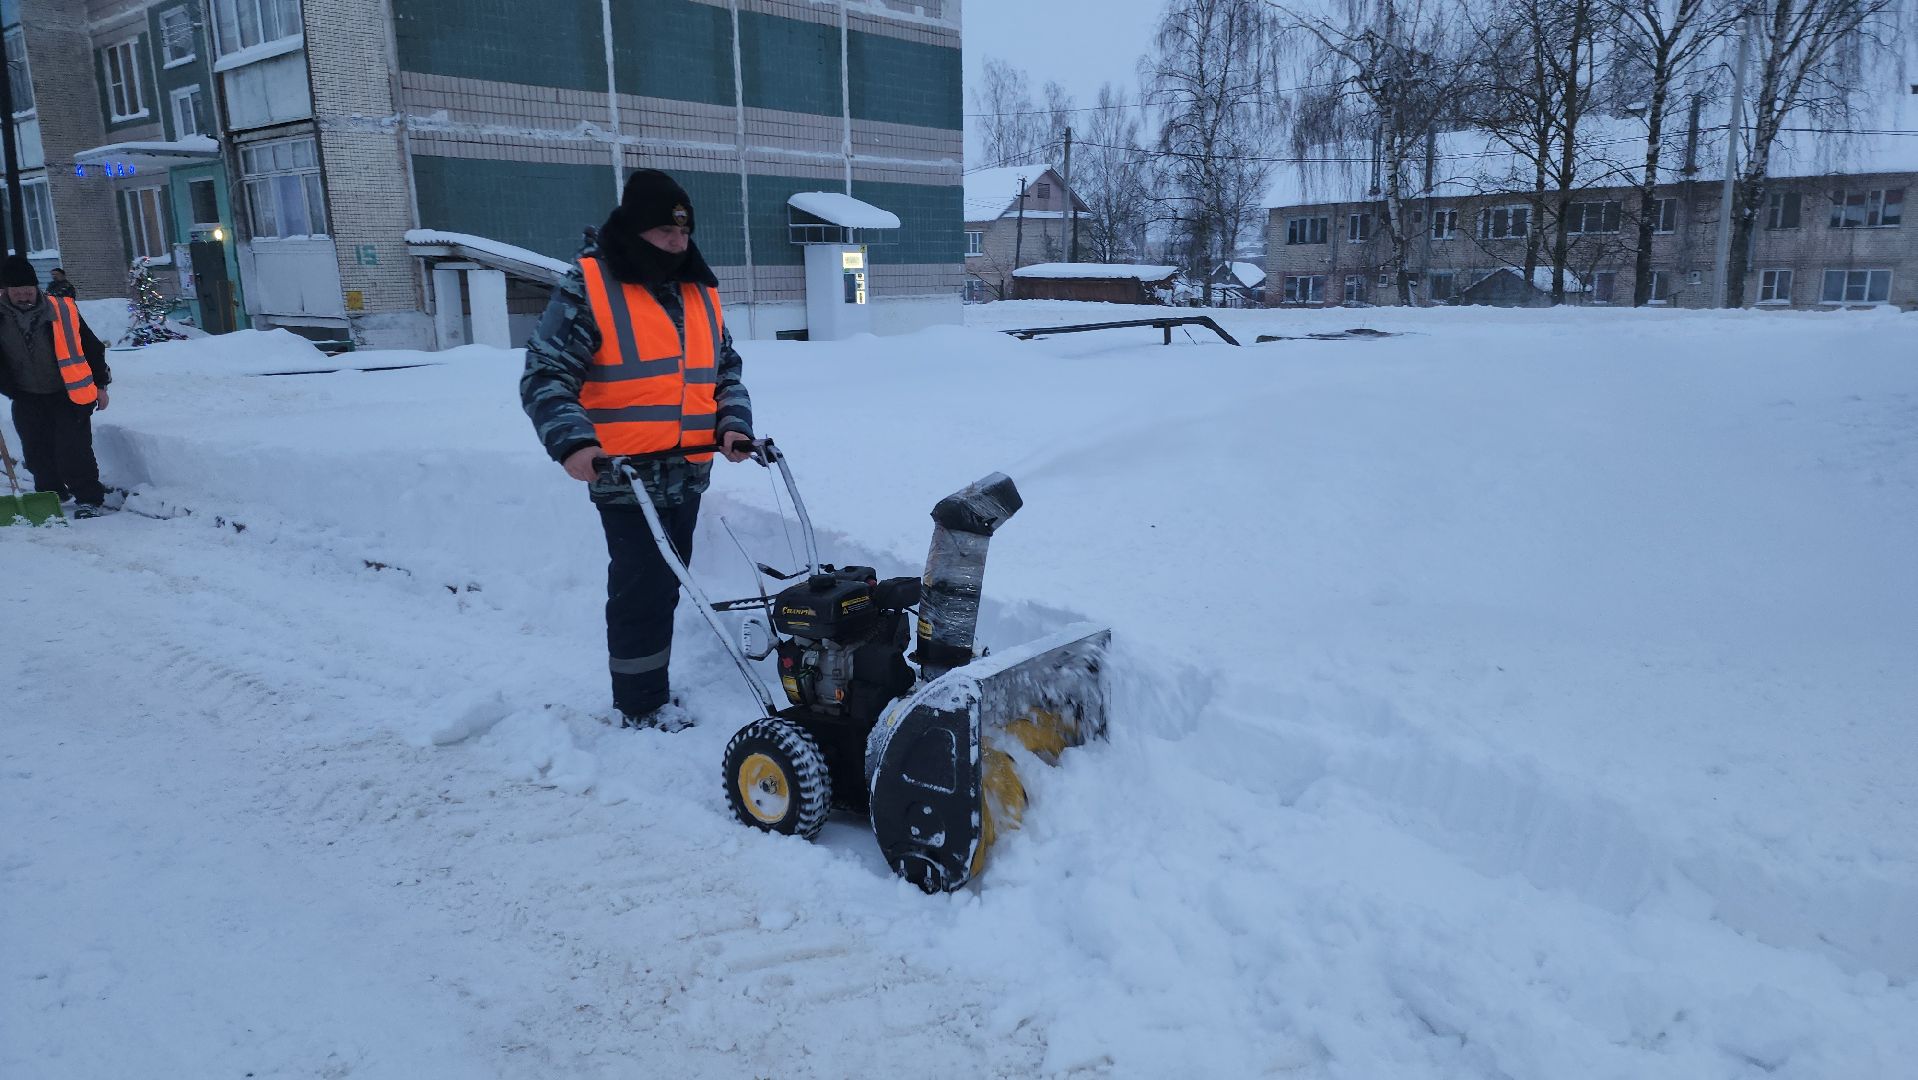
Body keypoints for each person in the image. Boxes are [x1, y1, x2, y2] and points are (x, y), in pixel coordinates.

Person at [522, 170, 754, 731]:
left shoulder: (698, 288)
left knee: (666, 584)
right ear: (634, 229)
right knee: (640, 590)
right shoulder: (591, 285)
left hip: (688, 469)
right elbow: (546, 374)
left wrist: (733, 424)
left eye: (684, 232)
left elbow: (724, 368)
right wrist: (573, 442)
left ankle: (652, 685)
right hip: (622, 473)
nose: (677, 243)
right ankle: (641, 705)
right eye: (665, 232)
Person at [0, 255, 113, 516]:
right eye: (17, 291)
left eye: (28, 290)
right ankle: (50, 495)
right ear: (6, 291)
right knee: (36, 452)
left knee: (73, 450)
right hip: (26, 395)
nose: (24, 296)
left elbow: (92, 347)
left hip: (68, 393)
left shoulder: (62, 310)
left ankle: (88, 498)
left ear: (36, 287)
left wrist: (101, 385)